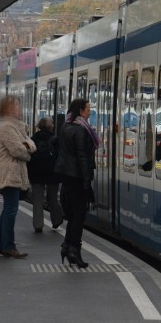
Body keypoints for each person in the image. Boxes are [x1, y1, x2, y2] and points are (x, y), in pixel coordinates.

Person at [55, 97, 96, 268]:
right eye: (88, 109)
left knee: (72, 215)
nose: (89, 112)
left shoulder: (65, 126)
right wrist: (87, 182)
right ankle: (74, 250)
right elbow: (83, 158)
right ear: (80, 111)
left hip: (66, 177)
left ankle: (66, 246)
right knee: (79, 215)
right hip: (77, 178)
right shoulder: (81, 130)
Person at [0, 94, 34, 258]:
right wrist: (28, 151)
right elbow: (18, 150)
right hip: (9, 173)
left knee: (8, 210)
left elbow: (30, 144)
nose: (18, 109)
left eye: (18, 106)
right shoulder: (8, 127)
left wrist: (28, 146)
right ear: (7, 109)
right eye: (15, 106)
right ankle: (9, 246)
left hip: (13, 173)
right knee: (11, 211)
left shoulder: (16, 127)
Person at [28, 117, 63, 233]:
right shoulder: (55, 140)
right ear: (51, 126)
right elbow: (60, 158)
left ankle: (38, 225)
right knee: (53, 198)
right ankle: (57, 220)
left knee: (37, 200)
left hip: (36, 174)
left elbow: (29, 156)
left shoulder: (33, 139)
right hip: (52, 174)